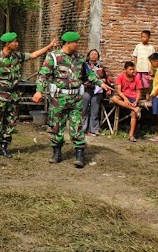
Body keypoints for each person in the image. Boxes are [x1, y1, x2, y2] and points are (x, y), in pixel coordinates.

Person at [32, 31, 112, 168]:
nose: (77, 45)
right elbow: (43, 75)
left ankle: (80, 154)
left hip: (75, 98)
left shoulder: (79, 59)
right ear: (68, 43)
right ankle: (56, 153)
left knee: (77, 126)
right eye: (76, 42)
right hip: (58, 98)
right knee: (56, 126)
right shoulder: (53, 57)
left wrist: (101, 83)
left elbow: (89, 74)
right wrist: (39, 91)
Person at [0, 32, 55, 159]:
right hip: (1, 95)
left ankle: (3, 147)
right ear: (8, 44)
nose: (17, 43)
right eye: (15, 42)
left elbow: (33, 55)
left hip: (13, 95)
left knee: (10, 123)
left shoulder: (17, 56)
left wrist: (49, 47)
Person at [81, 49, 112, 137]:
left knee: (95, 110)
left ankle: (94, 129)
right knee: (84, 110)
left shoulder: (101, 67)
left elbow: (105, 78)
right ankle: (82, 128)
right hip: (87, 89)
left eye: (96, 54)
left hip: (97, 91)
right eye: (92, 54)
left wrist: (104, 81)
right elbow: (82, 77)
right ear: (88, 55)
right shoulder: (84, 66)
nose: (94, 56)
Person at [111, 61, 143, 142]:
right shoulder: (120, 77)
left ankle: (131, 135)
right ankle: (135, 109)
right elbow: (119, 91)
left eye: (133, 69)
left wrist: (136, 101)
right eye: (130, 69)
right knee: (114, 98)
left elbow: (139, 92)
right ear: (125, 70)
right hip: (123, 96)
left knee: (133, 114)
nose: (132, 71)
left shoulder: (136, 78)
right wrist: (125, 98)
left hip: (133, 97)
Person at [132, 30, 155, 97]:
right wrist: (135, 67)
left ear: (148, 38)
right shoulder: (138, 46)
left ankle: (147, 93)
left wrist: (151, 69)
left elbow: (152, 59)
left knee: (146, 82)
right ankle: (139, 94)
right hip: (139, 68)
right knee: (137, 81)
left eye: (145, 37)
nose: (143, 38)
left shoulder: (151, 48)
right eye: (142, 37)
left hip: (146, 68)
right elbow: (135, 57)